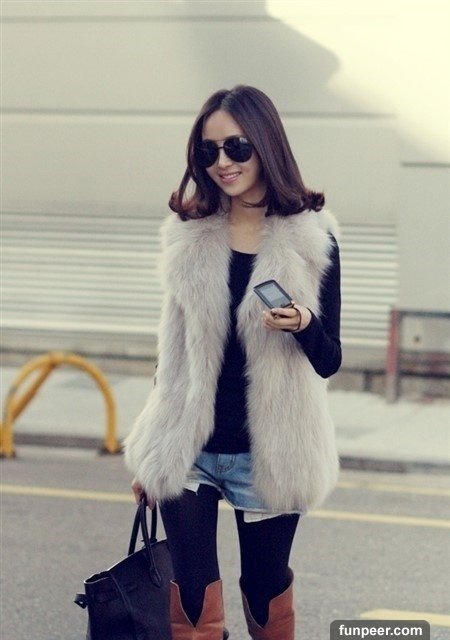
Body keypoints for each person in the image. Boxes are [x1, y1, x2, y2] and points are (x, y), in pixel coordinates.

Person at [124, 85, 342, 640]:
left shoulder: (312, 237)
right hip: (188, 446)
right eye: (209, 150)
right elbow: (172, 354)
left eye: (236, 147)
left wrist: (304, 324)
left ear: (265, 144)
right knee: (193, 599)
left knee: (265, 591)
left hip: (271, 451)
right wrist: (153, 448)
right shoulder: (190, 233)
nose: (222, 162)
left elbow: (329, 360)